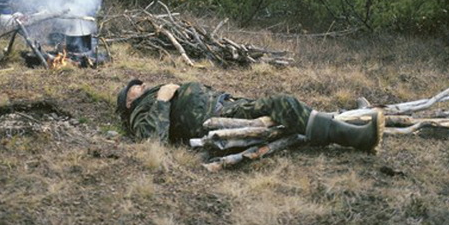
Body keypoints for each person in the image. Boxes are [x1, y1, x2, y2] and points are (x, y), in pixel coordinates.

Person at [116, 79, 384, 153]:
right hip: (219, 116)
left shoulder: (147, 98)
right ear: (129, 101)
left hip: (229, 104)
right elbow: (152, 141)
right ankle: (356, 137)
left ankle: (348, 125)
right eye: (134, 88)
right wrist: (162, 99)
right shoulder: (140, 111)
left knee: (285, 107)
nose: (140, 86)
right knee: (283, 104)